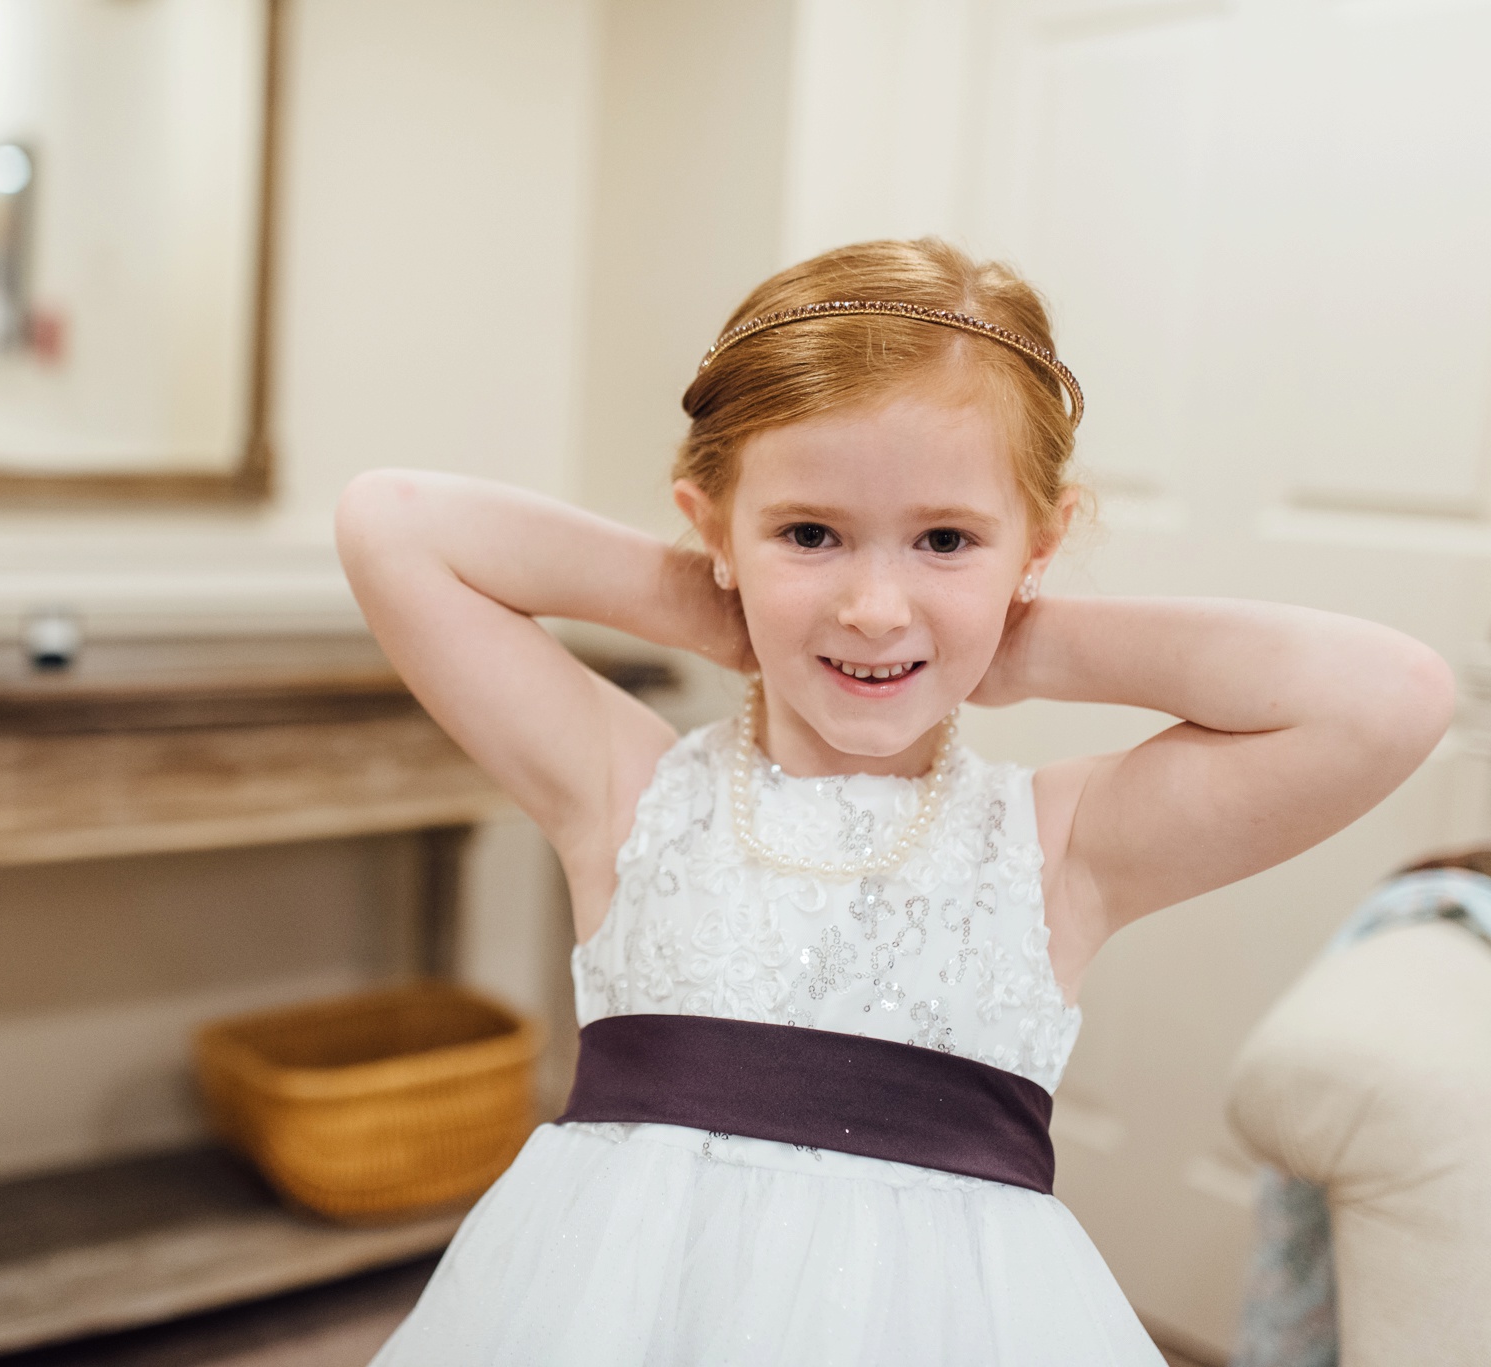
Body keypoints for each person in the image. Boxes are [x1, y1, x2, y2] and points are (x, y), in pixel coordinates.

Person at [334, 238, 1451, 1365]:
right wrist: (717, 603)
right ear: (714, 526)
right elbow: (393, 522)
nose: (874, 606)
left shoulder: (1058, 846)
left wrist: (1022, 644)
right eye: (808, 533)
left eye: (945, 539)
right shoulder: (628, 789)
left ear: (1039, 542)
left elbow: (1387, 697)